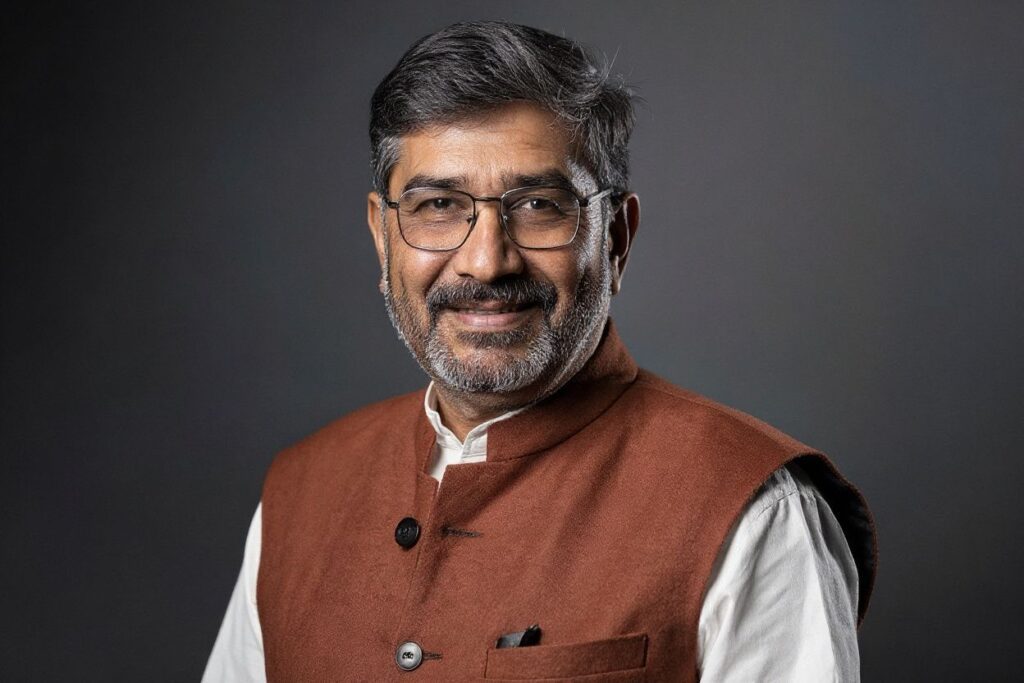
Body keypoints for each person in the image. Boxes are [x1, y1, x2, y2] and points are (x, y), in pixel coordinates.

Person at [204, 21, 877, 682]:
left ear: (616, 238)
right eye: (438, 204)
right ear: (384, 238)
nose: (486, 261)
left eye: (537, 205)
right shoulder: (298, 494)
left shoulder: (754, 509)